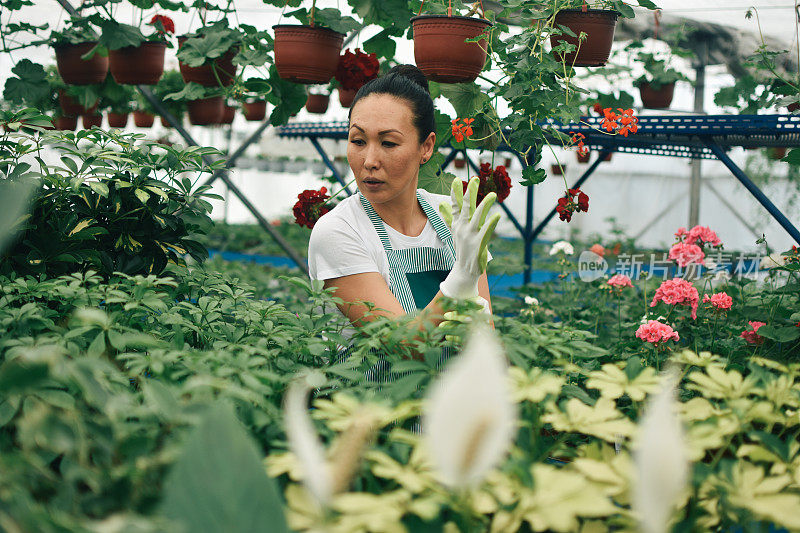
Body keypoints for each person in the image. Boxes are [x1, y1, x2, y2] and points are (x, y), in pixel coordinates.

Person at [307, 65, 499, 368]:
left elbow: (485, 342)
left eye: (389, 143)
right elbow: (403, 345)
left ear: (426, 147)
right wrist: (461, 278)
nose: (369, 161)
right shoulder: (339, 231)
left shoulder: (453, 218)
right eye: (358, 141)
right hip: (369, 408)